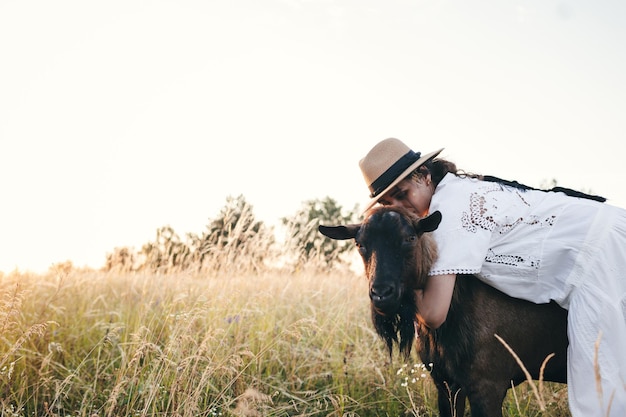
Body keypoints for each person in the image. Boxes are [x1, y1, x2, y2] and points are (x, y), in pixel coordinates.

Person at [358, 137, 626, 417]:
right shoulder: (458, 191)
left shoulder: (449, 211)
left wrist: (398, 277)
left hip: (602, 252)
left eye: (402, 194)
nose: (403, 209)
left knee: (598, 393)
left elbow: (435, 314)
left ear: (425, 176)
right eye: (390, 203)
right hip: (602, 239)